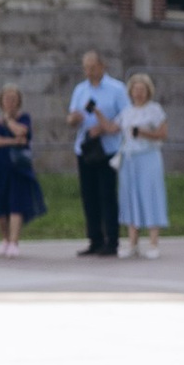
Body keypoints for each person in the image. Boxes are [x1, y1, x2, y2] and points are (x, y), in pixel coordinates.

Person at [67, 52, 127, 259]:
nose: (89, 71)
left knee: (107, 194)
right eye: (86, 67)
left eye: (92, 67)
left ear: (102, 66)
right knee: (89, 195)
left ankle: (111, 240)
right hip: (85, 148)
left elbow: (125, 115)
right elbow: (71, 116)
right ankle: (95, 240)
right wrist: (74, 118)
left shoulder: (117, 89)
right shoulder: (80, 89)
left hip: (108, 148)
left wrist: (104, 128)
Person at [0, 84, 45, 257]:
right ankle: (5, 239)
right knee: (0, 204)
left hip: (18, 168)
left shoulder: (23, 117)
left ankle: (14, 241)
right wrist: (11, 141)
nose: (10, 102)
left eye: (13, 99)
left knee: (16, 202)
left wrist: (8, 121)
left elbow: (22, 132)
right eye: (7, 99)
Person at [117, 75, 168, 259]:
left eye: (142, 90)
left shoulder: (154, 110)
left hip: (149, 156)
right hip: (130, 159)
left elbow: (163, 133)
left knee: (150, 195)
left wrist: (144, 133)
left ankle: (153, 242)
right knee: (130, 197)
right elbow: (114, 129)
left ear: (148, 91)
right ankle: (132, 242)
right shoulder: (126, 111)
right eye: (135, 89)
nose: (138, 93)